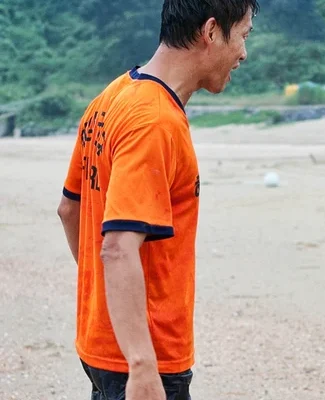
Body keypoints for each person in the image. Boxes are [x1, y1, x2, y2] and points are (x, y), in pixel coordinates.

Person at [56, 1, 258, 399]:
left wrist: (111, 302)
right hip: (147, 355)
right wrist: (142, 364)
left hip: (102, 345)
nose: (243, 53)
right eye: (243, 36)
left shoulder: (112, 97)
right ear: (211, 31)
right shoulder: (155, 121)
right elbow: (117, 247)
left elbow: (68, 209)